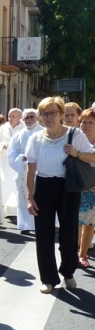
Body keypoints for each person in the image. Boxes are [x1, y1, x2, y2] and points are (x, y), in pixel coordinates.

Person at [26, 97, 95, 293]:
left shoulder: (75, 134)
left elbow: (93, 156)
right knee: (44, 234)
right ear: (41, 117)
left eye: (53, 113)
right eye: (45, 114)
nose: (49, 117)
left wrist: (76, 154)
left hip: (68, 187)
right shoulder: (36, 139)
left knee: (68, 233)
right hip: (44, 186)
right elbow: (31, 171)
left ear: (61, 114)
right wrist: (30, 197)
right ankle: (48, 279)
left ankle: (68, 271)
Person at [7, 109, 43, 235]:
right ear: (23, 119)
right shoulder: (18, 135)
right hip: (24, 171)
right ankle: (26, 225)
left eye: (32, 117)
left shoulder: (43, 133)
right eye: (27, 117)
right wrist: (21, 158)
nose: (29, 120)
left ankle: (42, 224)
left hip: (41, 171)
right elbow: (11, 154)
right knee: (24, 197)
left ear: (37, 118)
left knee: (40, 198)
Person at [0, 108, 25, 219]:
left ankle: (18, 210)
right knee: (6, 185)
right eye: (9, 116)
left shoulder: (24, 128)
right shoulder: (3, 128)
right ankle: (7, 211)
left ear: (19, 117)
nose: (10, 119)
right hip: (5, 162)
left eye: (13, 116)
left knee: (17, 185)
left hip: (19, 162)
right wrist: (2, 145)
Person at [78, 108, 95, 267]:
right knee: (75, 222)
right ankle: (73, 251)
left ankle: (83, 255)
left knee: (90, 223)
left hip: (93, 189)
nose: (87, 125)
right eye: (84, 122)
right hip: (76, 186)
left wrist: (77, 154)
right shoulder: (75, 139)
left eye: (91, 122)